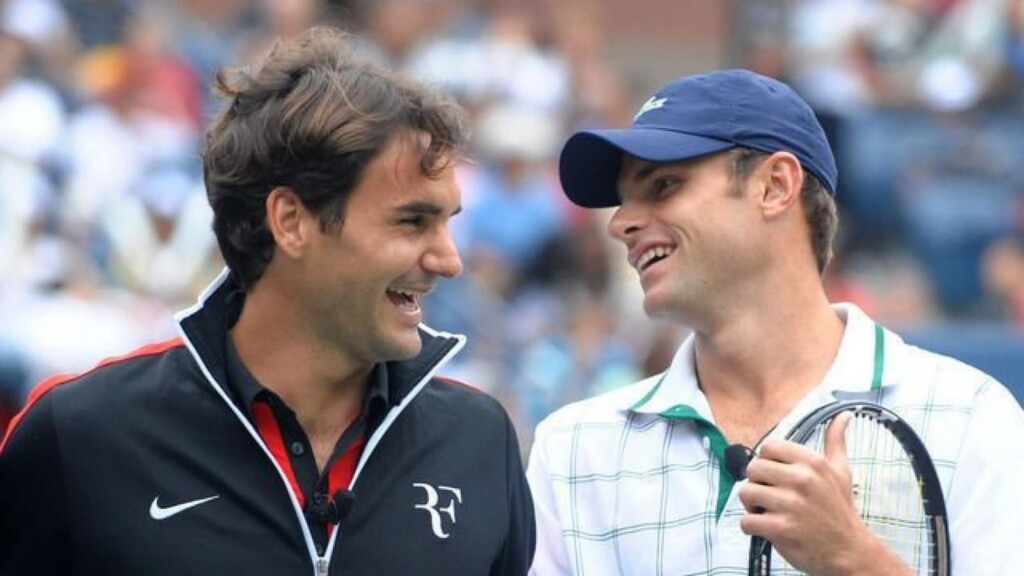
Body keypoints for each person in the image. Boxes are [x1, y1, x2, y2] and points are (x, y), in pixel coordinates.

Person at [1, 27, 534, 575]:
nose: (449, 260)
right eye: (412, 221)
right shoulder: (80, 432)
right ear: (291, 221)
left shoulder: (480, 439)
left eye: (448, 223)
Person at [526, 69, 1024, 575]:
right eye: (624, 200)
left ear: (775, 186)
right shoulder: (571, 449)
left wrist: (855, 561)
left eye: (663, 186)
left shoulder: (971, 418)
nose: (620, 223)